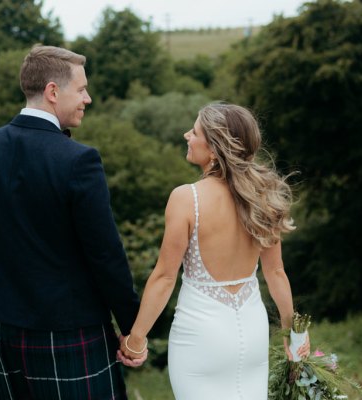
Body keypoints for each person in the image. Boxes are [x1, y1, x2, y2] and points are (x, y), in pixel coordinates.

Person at [0, 45, 143, 400]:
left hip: (6, 331)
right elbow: (105, 255)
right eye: (82, 89)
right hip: (72, 332)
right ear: (52, 91)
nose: (88, 98)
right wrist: (134, 329)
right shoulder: (79, 160)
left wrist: (2, 308)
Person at [119, 103, 309, 399]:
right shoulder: (263, 198)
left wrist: (136, 339)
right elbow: (276, 273)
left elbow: (165, 277)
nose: (186, 135)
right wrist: (292, 333)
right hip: (252, 334)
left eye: (194, 132)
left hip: (201, 339)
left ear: (214, 148)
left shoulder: (186, 198)